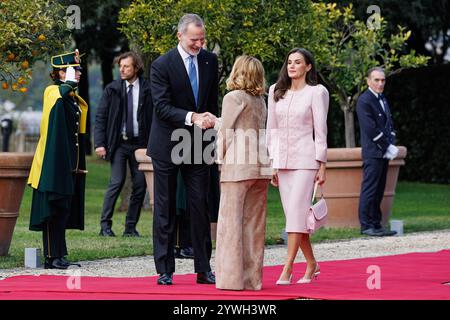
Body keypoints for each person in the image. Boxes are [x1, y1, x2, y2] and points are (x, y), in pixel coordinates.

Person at [147, 13, 218, 285]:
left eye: (202, 39)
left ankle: (203, 268)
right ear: (179, 36)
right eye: (194, 40)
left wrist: (212, 120)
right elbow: (161, 107)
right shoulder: (161, 64)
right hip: (167, 142)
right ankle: (165, 269)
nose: (199, 44)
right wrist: (193, 117)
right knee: (164, 207)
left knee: (200, 204)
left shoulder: (210, 60)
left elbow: (211, 99)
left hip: (199, 144)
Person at [267, 48, 329, 285]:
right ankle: (312, 264)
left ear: (308, 67)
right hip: (282, 163)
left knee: (295, 215)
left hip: (306, 161)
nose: (292, 66)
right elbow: (271, 130)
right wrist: (273, 163)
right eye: (289, 62)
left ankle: (288, 267)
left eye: (298, 62)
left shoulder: (317, 92)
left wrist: (322, 165)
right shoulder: (275, 91)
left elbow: (321, 131)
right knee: (296, 217)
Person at [214, 55, 272, 291]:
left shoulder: (233, 97)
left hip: (237, 167)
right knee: (254, 227)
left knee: (230, 225)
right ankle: (252, 280)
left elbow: (227, 133)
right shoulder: (260, 100)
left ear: (237, 71)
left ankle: (231, 280)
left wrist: (219, 159)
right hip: (260, 166)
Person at [27, 50, 88, 269]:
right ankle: (51, 257)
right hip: (52, 165)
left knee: (62, 209)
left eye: (78, 70)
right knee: (53, 210)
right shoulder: (53, 92)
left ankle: (60, 254)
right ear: (62, 73)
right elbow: (60, 96)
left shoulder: (71, 98)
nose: (80, 74)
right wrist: (69, 82)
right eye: (75, 70)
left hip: (66, 162)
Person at [94, 51, 153, 237]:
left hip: (141, 144)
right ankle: (105, 227)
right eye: (120, 66)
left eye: (126, 66)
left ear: (136, 67)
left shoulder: (148, 89)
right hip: (119, 144)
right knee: (116, 182)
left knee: (139, 186)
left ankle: (130, 228)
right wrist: (99, 143)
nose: (122, 69)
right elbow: (101, 117)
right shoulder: (112, 89)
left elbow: (155, 117)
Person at [356, 67, 398, 237]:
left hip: (382, 152)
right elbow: (370, 128)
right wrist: (386, 145)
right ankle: (366, 225)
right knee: (370, 188)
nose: (380, 83)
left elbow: (388, 123)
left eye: (383, 80)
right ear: (368, 81)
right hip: (373, 152)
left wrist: (391, 141)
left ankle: (376, 223)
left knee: (380, 188)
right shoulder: (364, 100)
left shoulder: (382, 98)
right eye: (376, 80)